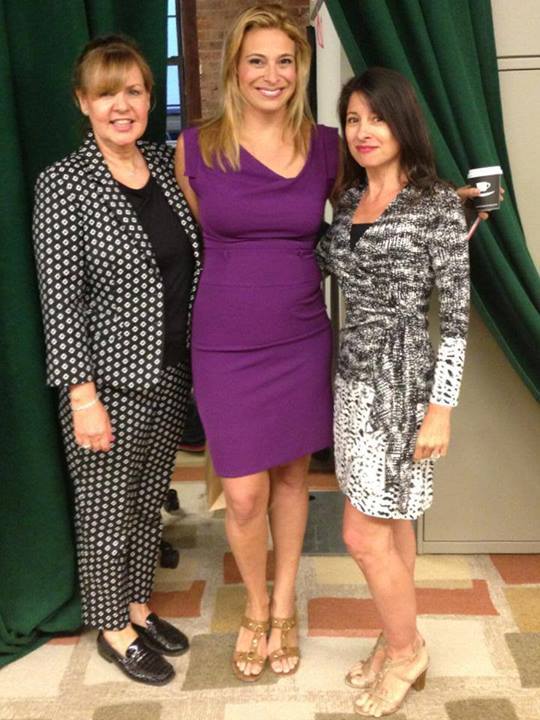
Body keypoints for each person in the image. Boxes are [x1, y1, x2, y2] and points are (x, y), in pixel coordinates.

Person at [175, 3, 338, 680]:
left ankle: (282, 605)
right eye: (257, 61)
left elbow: (369, 216)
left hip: (300, 337)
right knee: (243, 493)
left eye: (285, 60)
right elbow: (203, 238)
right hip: (224, 342)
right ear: (234, 70)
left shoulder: (328, 147)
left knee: (293, 478)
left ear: (301, 68)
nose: (272, 74)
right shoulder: (195, 148)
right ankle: (254, 603)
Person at [33, 35, 201, 686]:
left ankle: (136, 606)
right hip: (106, 384)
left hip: (171, 369)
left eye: (133, 91)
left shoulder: (162, 164)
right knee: (105, 510)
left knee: (144, 503)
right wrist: (82, 397)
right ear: (84, 102)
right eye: (107, 94)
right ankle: (112, 628)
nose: (122, 105)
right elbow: (60, 299)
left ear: (150, 97)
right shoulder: (63, 184)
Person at [317, 67, 470, 716]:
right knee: (393, 519)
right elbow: (324, 264)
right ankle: (396, 632)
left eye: (376, 118)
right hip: (351, 381)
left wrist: (441, 409)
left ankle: (408, 653)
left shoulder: (435, 204)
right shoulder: (349, 200)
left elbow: (456, 319)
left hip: (402, 388)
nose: (363, 131)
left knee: (361, 533)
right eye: (353, 119)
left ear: (402, 122)